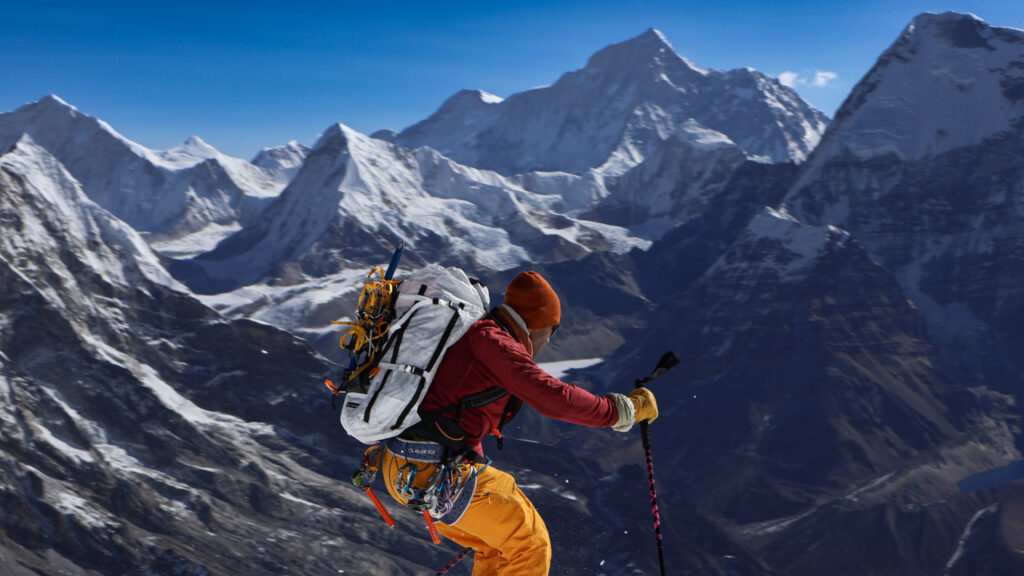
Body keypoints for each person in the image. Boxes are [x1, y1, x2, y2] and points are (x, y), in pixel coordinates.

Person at [380, 270, 659, 575]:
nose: (550, 338)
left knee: (497, 548)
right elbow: (554, 397)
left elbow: (453, 413)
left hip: (405, 468)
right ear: (536, 323)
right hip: (431, 473)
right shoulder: (493, 342)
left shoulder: (477, 336)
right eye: (553, 328)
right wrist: (622, 411)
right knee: (530, 543)